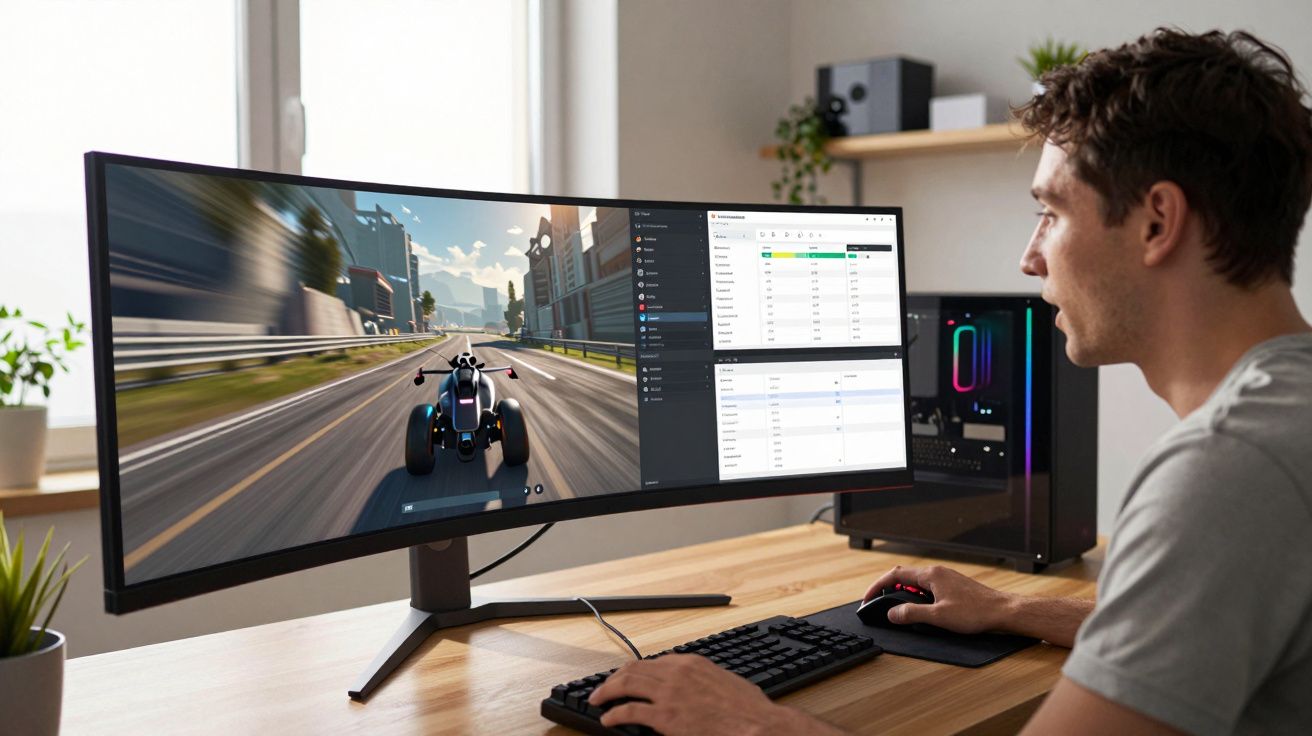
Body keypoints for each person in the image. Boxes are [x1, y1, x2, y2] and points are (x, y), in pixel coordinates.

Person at [588, 27, 1312, 735]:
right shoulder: (1287, 417)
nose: (1030, 258)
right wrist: (1015, 611)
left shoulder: (1228, 470)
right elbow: (1203, 618)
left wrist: (751, 722)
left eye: (1050, 212)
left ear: (1158, 222)